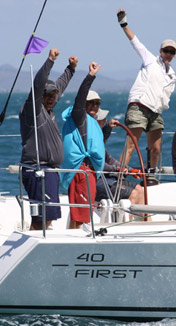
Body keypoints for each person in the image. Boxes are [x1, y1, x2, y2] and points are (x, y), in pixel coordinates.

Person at [19, 48, 77, 230]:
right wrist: (50, 61)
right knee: (41, 220)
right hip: (39, 170)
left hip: (49, 171)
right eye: (47, 95)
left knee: (47, 218)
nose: (52, 98)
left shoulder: (49, 110)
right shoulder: (33, 111)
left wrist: (71, 69)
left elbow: (60, 85)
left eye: (54, 95)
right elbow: (37, 85)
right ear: (40, 96)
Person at [116, 8, 176, 182]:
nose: (169, 54)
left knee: (156, 148)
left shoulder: (172, 74)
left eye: (172, 52)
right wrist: (123, 23)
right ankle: (118, 178)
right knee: (131, 146)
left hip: (155, 112)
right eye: (166, 51)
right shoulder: (149, 59)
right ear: (161, 50)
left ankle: (150, 176)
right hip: (139, 107)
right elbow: (135, 41)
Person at [84, 90, 147, 213]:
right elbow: (96, 164)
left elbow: (109, 159)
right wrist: (117, 169)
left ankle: (146, 223)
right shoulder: (87, 136)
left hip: (103, 178)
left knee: (140, 189)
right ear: (96, 122)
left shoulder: (97, 138)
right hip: (93, 180)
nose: (105, 120)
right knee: (133, 193)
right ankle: (129, 226)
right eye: (103, 119)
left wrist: (128, 169)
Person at [60, 63, 105, 229]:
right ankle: (75, 243)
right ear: (84, 105)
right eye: (91, 103)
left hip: (89, 172)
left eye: (97, 103)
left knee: (79, 213)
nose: (94, 106)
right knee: (81, 215)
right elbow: (79, 98)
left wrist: (107, 130)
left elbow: (95, 148)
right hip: (81, 172)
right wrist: (90, 76)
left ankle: (70, 240)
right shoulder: (80, 117)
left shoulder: (92, 124)